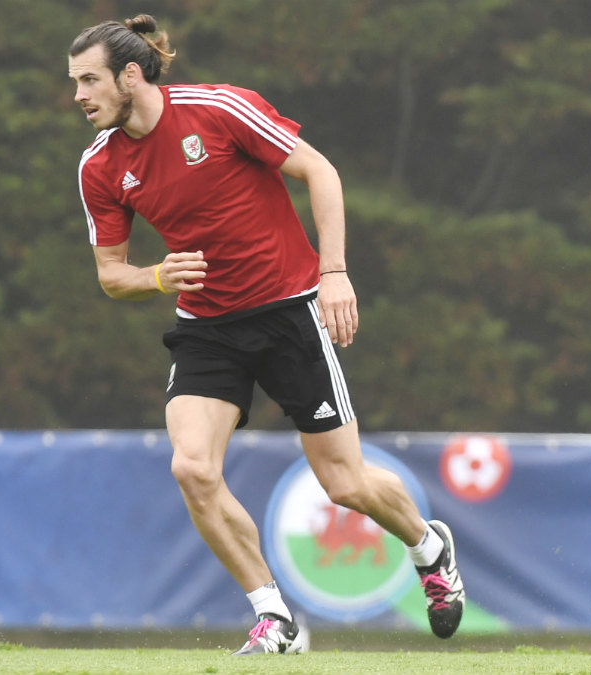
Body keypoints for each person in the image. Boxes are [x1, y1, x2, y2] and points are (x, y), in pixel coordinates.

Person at [68, 15, 464, 655]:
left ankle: (429, 545)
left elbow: (322, 173)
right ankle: (274, 618)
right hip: (206, 328)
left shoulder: (219, 109)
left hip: (289, 313)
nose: (80, 96)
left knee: (345, 485)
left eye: (90, 80)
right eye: (75, 83)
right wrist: (155, 277)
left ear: (130, 76)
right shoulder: (99, 167)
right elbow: (112, 275)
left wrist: (334, 273)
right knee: (192, 468)